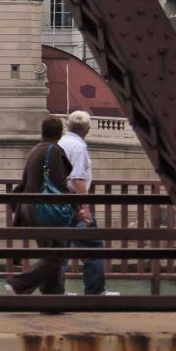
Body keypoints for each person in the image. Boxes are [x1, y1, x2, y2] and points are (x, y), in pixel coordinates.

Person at [5, 115, 71, 297]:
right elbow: (59, 184)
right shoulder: (54, 150)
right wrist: (78, 205)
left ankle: (53, 299)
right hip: (45, 209)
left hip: (29, 207)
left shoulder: (35, 150)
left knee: (51, 252)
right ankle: (19, 284)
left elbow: (24, 181)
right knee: (58, 254)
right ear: (60, 133)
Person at [59, 110, 119, 296]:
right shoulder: (79, 147)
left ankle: (56, 292)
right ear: (87, 129)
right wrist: (85, 208)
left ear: (67, 126)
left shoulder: (60, 143)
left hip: (59, 203)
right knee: (93, 246)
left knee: (60, 250)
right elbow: (78, 179)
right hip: (75, 204)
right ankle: (94, 291)